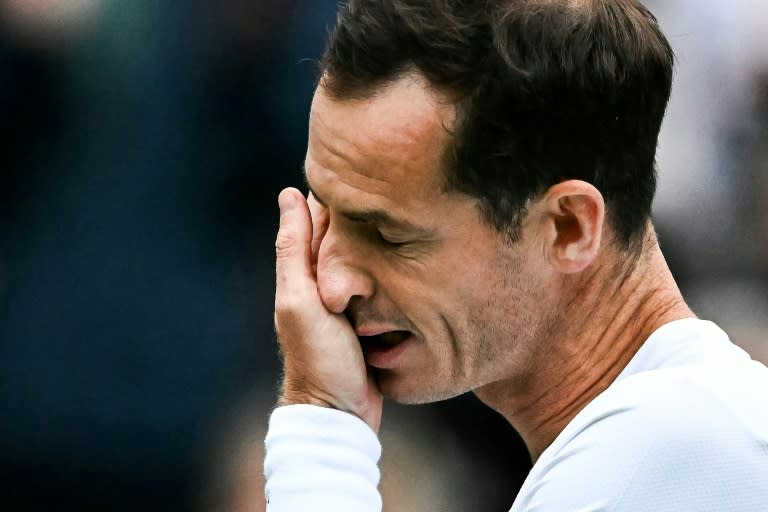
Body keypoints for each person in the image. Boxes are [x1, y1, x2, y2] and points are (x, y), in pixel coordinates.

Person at [263, 0, 768, 510]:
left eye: (390, 236)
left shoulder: (662, 459)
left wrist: (323, 422)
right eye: (324, 214)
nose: (329, 284)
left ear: (568, 227)